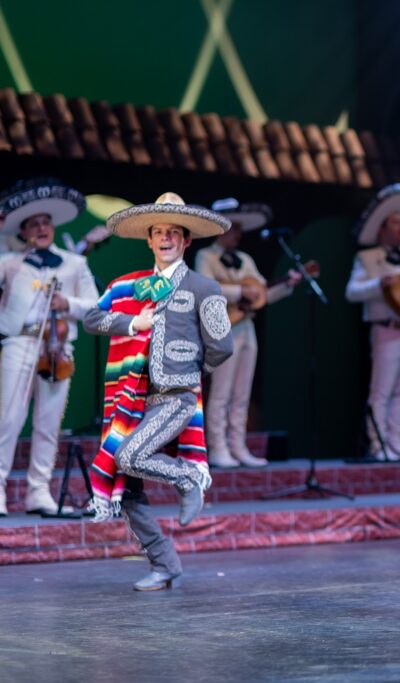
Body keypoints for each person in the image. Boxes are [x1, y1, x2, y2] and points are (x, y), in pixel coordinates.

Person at [84, 192, 233, 590]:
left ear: (186, 241)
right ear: (149, 240)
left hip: (177, 398)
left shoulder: (205, 287)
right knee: (126, 480)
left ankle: (188, 478)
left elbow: (223, 346)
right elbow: (91, 318)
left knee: (131, 455)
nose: (165, 238)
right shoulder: (129, 286)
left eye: (173, 233)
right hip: (132, 402)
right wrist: (132, 325)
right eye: (158, 232)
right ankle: (164, 563)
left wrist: (190, 372)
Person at [0, 178, 99, 517]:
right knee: (8, 417)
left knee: (49, 421)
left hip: (58, 348)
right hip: (20, 342)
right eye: (34, 224)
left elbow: (96, 306)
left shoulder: (74, 263)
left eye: (46, 222)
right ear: (24, 231)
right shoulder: (10, 262)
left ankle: (38, 492)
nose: (41, 228)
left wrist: (66, 302)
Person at [194, 198, 300, 468]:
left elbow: (261, 292)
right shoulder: (206, 256)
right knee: (222, 390)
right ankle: (217, 446)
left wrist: (286, 285)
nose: (237, 234)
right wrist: (240, 291)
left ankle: (238, 445)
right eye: (233, 228)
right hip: (221, 327)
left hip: (246, 327)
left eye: (239, 229)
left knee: (242, 391)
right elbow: (204, 289)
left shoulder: (245, 260)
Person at [345, 184, 400, 462]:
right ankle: (378, 446)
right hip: (386, 328)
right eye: (394, 223)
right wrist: (379, 283)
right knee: (382, 390)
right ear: (381, 228)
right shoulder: (366, 258)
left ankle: (396, 444)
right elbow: (352, 292)